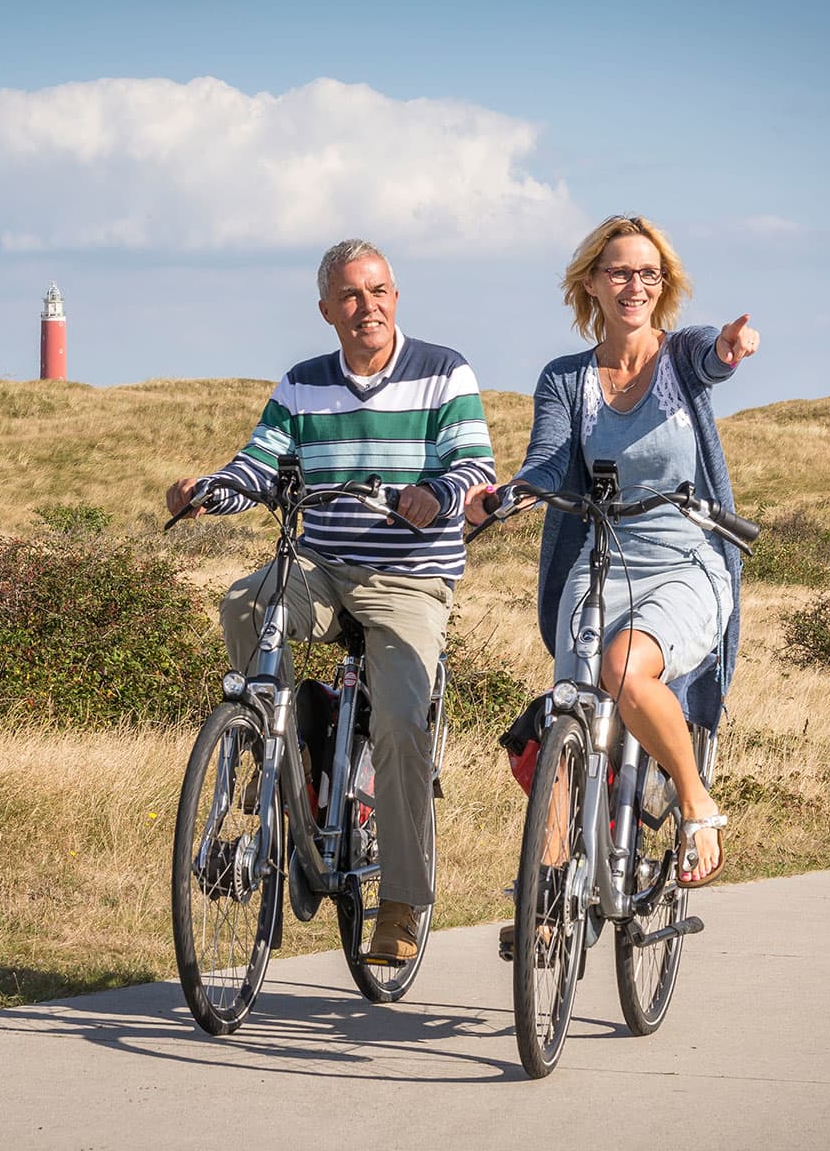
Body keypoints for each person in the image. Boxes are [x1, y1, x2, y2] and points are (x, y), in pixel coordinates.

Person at [167, 238, 496, 963]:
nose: (366, 306)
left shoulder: (444, 371)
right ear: (326, 310)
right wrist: (206, 493)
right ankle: (275, 743)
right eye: (350, 296)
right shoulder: (302, 383)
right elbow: (257, 465)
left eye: (377, 291)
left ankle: (401, 906)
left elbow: (475, 465)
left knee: (403, 726)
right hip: (321, 565)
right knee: (245, 602)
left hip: (409, 576)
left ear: (396, 297)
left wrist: (433, 494)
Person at [466, 214, 758, 886]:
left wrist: (734, 345)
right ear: (592, 283)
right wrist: (509, 498)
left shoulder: (681, 357)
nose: (636, 284)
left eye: (649, 274)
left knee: (624, 673)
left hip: (685, 564)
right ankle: (546, 891)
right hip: (599, 563)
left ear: (664, 285)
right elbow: (545, 464)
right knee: (566, 713)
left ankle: (694, 804)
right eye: (621, 272)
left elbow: (715, 357)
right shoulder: (566, 379)